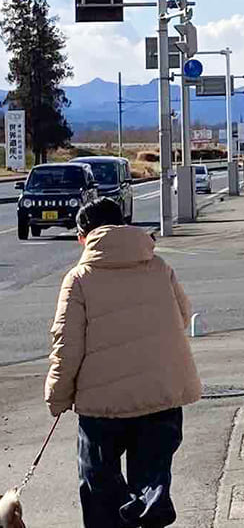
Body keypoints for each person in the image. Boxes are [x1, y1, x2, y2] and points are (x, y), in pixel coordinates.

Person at [45, 198, 202, 528]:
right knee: (151, 469)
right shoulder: (159, 266)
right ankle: (151, 496)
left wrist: (58, 396)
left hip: (103, 407)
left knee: (98, 483)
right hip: (161, 395)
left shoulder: (79, 279)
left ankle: (136, 504)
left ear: (83, 237)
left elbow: (66, 346)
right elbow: (183, 316)